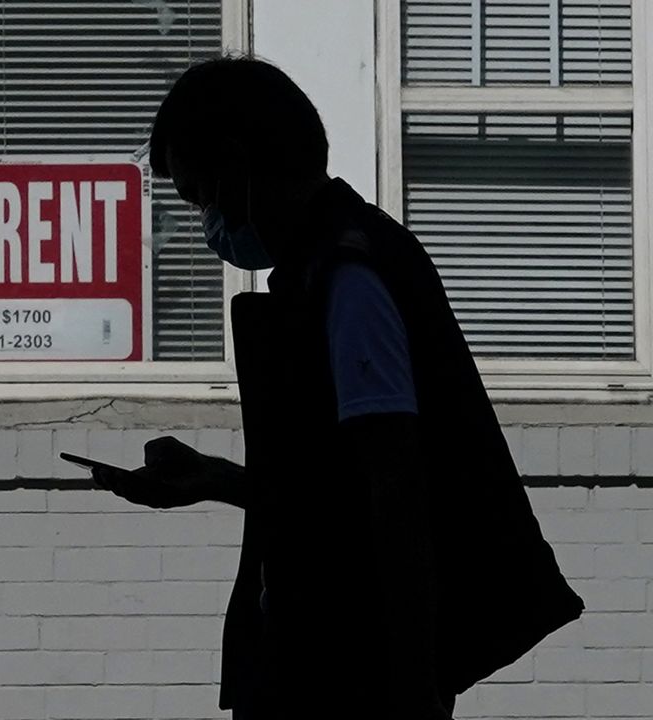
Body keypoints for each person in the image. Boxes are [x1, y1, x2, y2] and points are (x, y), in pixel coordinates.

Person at [89, 55, 584, 719]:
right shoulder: (323, 271)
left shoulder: (348, 278)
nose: (207, 223)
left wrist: (411, 692)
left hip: (349, 676)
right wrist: (214, 479)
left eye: (202, 194)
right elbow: (337, 494)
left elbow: (395, 487)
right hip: (334, 662)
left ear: (239, 165)